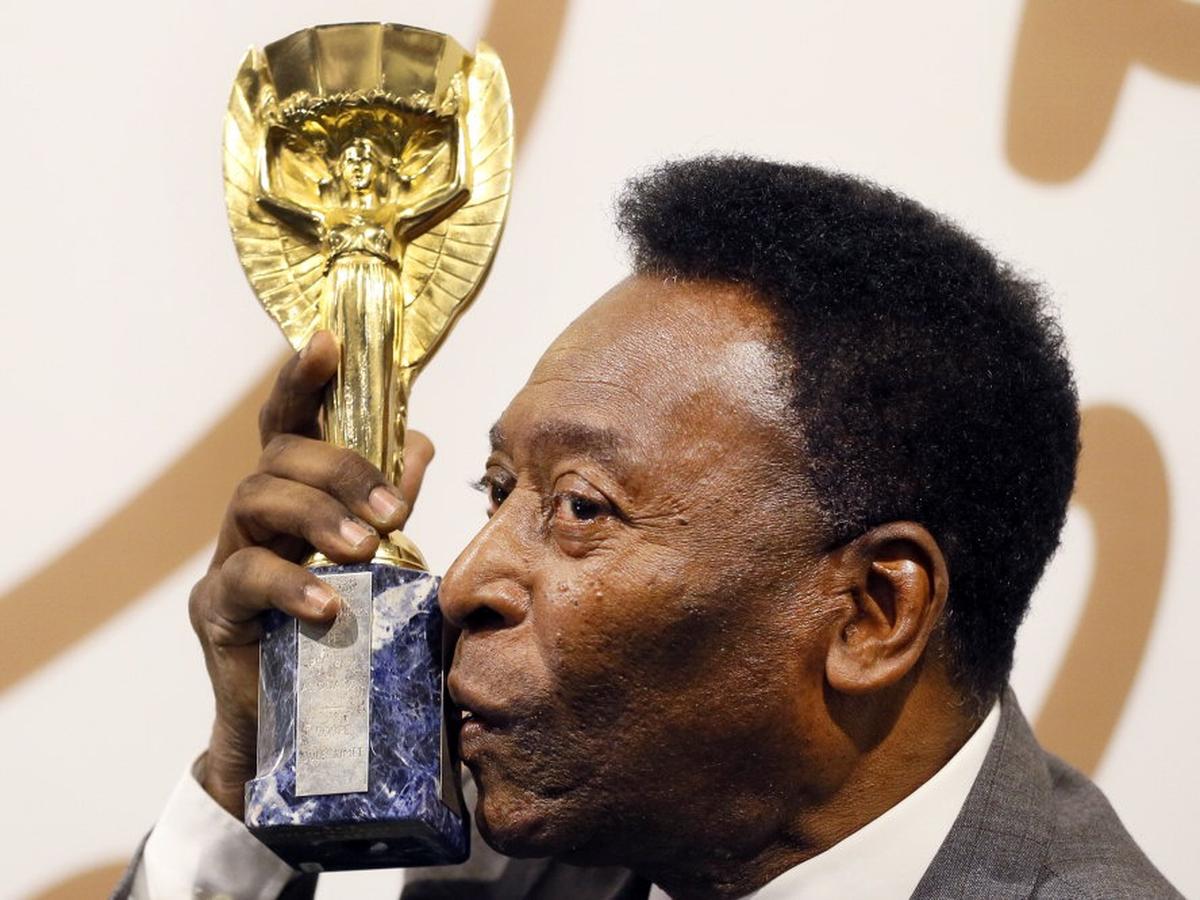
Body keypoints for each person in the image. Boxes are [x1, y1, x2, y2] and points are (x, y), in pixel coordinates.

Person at [118, 156, 1180, 899]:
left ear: (872, 613)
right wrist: (251, 776)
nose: (464, 583)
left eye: (581, 508)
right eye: (498, 491)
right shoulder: (498, 873)